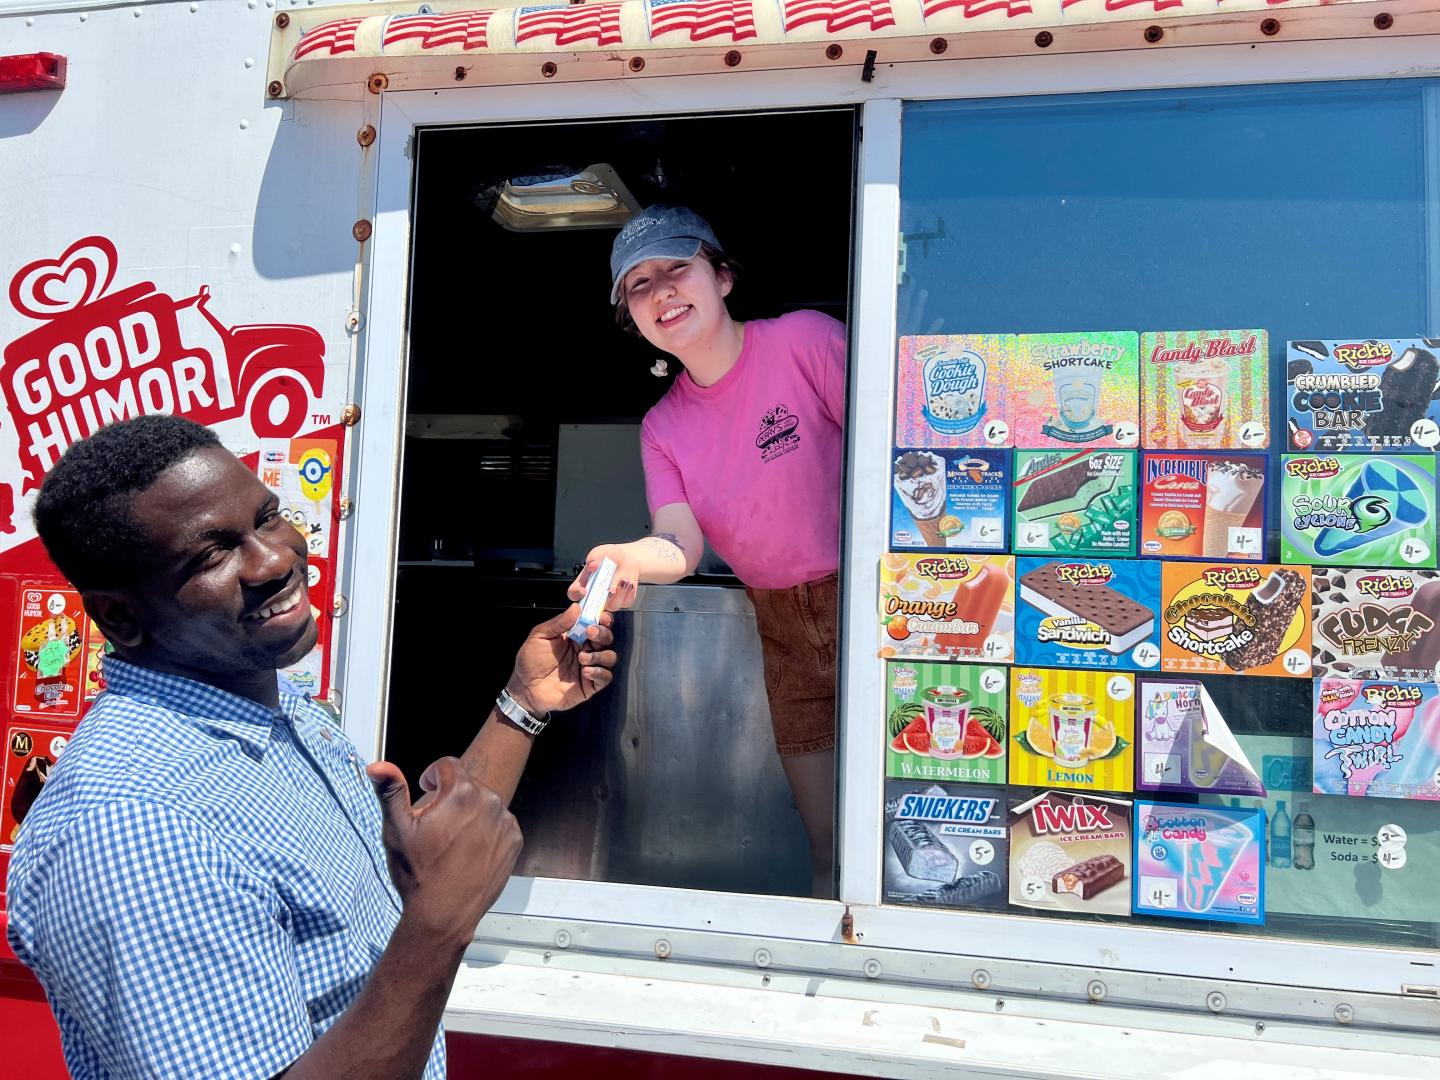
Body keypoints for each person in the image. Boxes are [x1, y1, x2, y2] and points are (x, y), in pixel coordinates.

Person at [6, 415, 618, 1080]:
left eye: (267, 518)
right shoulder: (131, 828)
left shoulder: (274, 708)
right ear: (120, 617)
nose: (274, 559)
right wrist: (438, 926)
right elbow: (436, 902)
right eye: (211, 555)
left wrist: (523, 704)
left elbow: (429, 863)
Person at [570, 205, 845, 897]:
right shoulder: (663, 426)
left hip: (878, 605)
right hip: (780, 624)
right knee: (830, 857)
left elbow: (904, 455)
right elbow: (679, 544)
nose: (661, 291)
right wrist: (628, 558)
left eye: (676, 269)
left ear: (721, 277)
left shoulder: (805, 341)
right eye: (639, 285)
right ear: (629, 317)